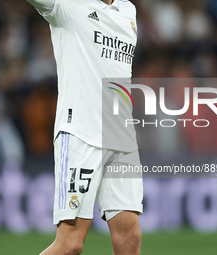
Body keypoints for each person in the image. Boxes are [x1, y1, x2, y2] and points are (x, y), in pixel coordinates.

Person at [26, 0, 143, 254]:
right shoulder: (67, 6)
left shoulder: (128, 10)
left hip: (121, 137)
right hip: (81, 134)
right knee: (71, 244)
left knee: (130, 238)